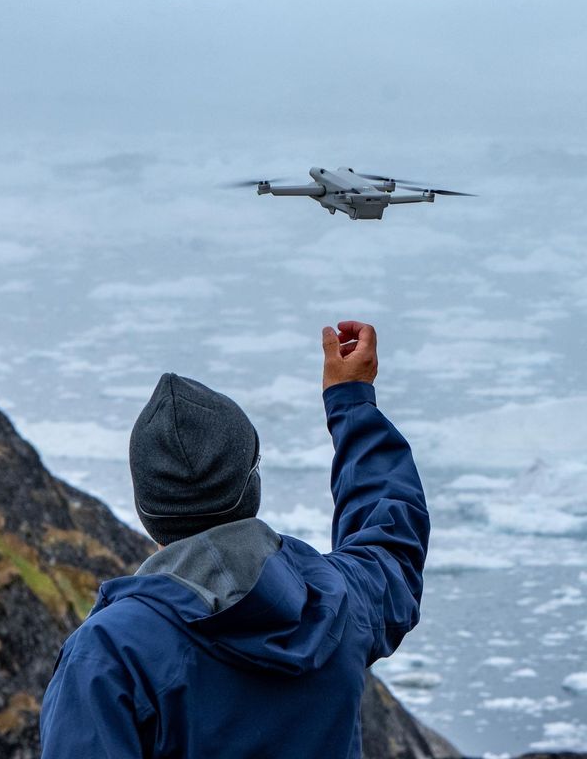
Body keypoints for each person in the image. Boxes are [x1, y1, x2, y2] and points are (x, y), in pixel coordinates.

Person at [40, 320, 430, 759]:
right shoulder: (333, 599)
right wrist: (352, 402)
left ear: (146, 505)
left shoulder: (110, 654)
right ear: (251, 485)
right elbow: (392, 542)